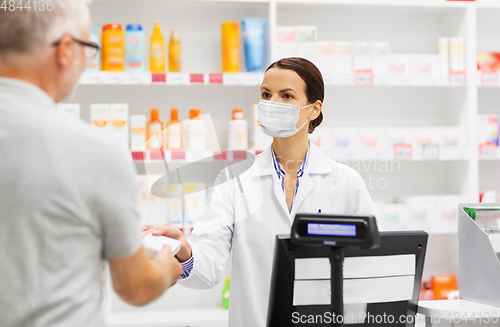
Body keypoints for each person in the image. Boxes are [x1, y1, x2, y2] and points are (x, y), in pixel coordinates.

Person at [149, 57, 377, 327]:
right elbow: (209, 266)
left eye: (287, 95)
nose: (272, 104)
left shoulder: (346, 182)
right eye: (266, 95)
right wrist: (186, 251)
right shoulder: (235, 179)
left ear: (314, 109)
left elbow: (370, 269)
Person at [0, 1, 182, 327]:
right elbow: (136, 287)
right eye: (88, 47)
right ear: (65, 50)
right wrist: (167, 267)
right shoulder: (94, 151)